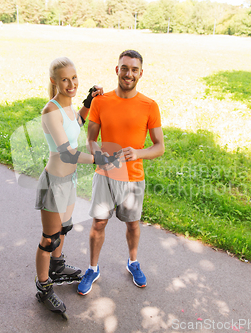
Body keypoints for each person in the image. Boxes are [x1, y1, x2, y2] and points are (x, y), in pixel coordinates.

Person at [34, 57, 118, 315]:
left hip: (68, 182)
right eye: (64, 80)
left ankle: (57, 267)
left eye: (74, 78)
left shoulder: (68, 107)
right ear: (54, 81)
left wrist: (88, 103)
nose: (71, 84)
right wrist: (97, 158)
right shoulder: (50, 111)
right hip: (53, 184)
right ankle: (44, 287)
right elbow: (68, 152)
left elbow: (75, 125)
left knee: (64, 229)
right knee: (49, 239)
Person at [77, 50, 165, 296]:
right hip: (105, 175)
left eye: (134, 69)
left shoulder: (149, 105)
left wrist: (138, 153)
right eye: (124, 68)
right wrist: (98, 155)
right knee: (99, 223)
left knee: (133, 224)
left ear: (140, 73)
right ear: (117, 70)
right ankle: (93, 268)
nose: (129, 74)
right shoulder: (101, 101)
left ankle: (133, 262)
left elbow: (159, 147)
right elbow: (90, 140)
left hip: (134, 177)